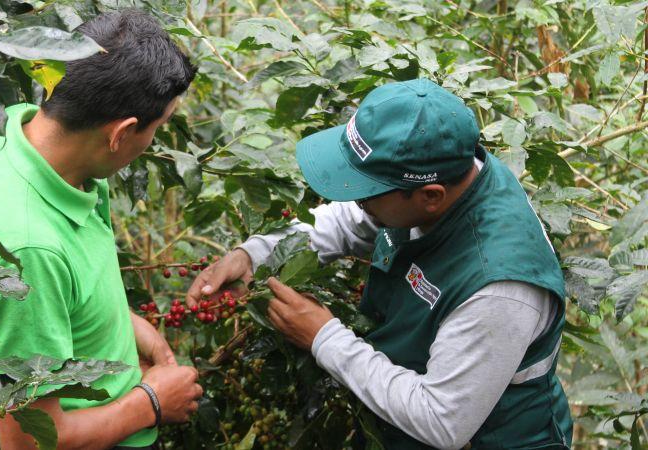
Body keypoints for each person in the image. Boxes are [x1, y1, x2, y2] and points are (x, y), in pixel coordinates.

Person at [187, 78, 573, 449]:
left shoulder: (501, 289)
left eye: (367, 193)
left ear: (430, 196)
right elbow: (351, 220)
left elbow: (442, 421)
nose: (358, 202)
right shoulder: (450, 176)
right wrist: (252, 255)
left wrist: (325, 338)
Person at [0, 10, 202, 450]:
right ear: (121, 133)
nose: (153, 142)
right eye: (157, 129)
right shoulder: (28, 257)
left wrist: (123, 325)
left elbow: (67, 292)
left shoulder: (5, 129)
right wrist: (151, 404)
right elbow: (29, 442)